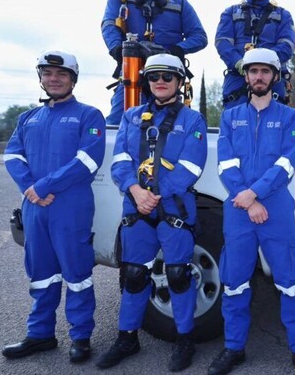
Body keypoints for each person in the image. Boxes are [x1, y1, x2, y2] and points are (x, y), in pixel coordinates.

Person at [209, 48, 295, 375]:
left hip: (275, 209)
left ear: (274, 77)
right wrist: (247, 199)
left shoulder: (288, 117)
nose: (259, 77)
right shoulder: (230, 117)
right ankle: (233, 349)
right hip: (240, 209)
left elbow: (287, 163)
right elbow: (226, 163)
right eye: (253, 71)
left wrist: (254, 194)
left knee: (290, 281)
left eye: (265, 72)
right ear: (246, 77)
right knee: (235, 282)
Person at [96, 53, 207, 372]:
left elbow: (191, 165)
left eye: (168, 77)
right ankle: (127, 338)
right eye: (154, 76)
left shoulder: (192, 120)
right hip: (137, 207)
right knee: (134, 275)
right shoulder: (131, 118)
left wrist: (155, 194)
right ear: (146, 81)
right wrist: (135, 190)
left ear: (179, 82)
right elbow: (120, 161)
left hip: (173, 208)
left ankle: (185, 339)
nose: (160, 82)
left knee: (179, 275)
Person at [3, 50, 106, 364]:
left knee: (77, 274)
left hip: (70, 208)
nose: (54, 79)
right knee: (41, 274)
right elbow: (12, 156)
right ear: (41, 78)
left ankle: (81, 336)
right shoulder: (28, 118)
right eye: (47, 73)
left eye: (61, 74)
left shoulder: (89, 115)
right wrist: (29, 189)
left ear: (73, 78)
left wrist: (43, 187)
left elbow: (87, 161)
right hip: (35, 207)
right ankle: (40, 335)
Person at [102, 0, 208, 125]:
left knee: (170, 121)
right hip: (132, 70)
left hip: (166, 73)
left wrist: (177, 50)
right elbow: (109, 24)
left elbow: (199, 36)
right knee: (118, 120)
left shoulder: (180, 4)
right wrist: (117, 49)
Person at [215, 0, 295, 109]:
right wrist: (240, 63)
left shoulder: (284, 15)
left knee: (274, 127)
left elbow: (287, 46)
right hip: (237, 79)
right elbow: (222, 43)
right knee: (234, 126)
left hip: (272, 80)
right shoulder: (230, 13)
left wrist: (263, 63)